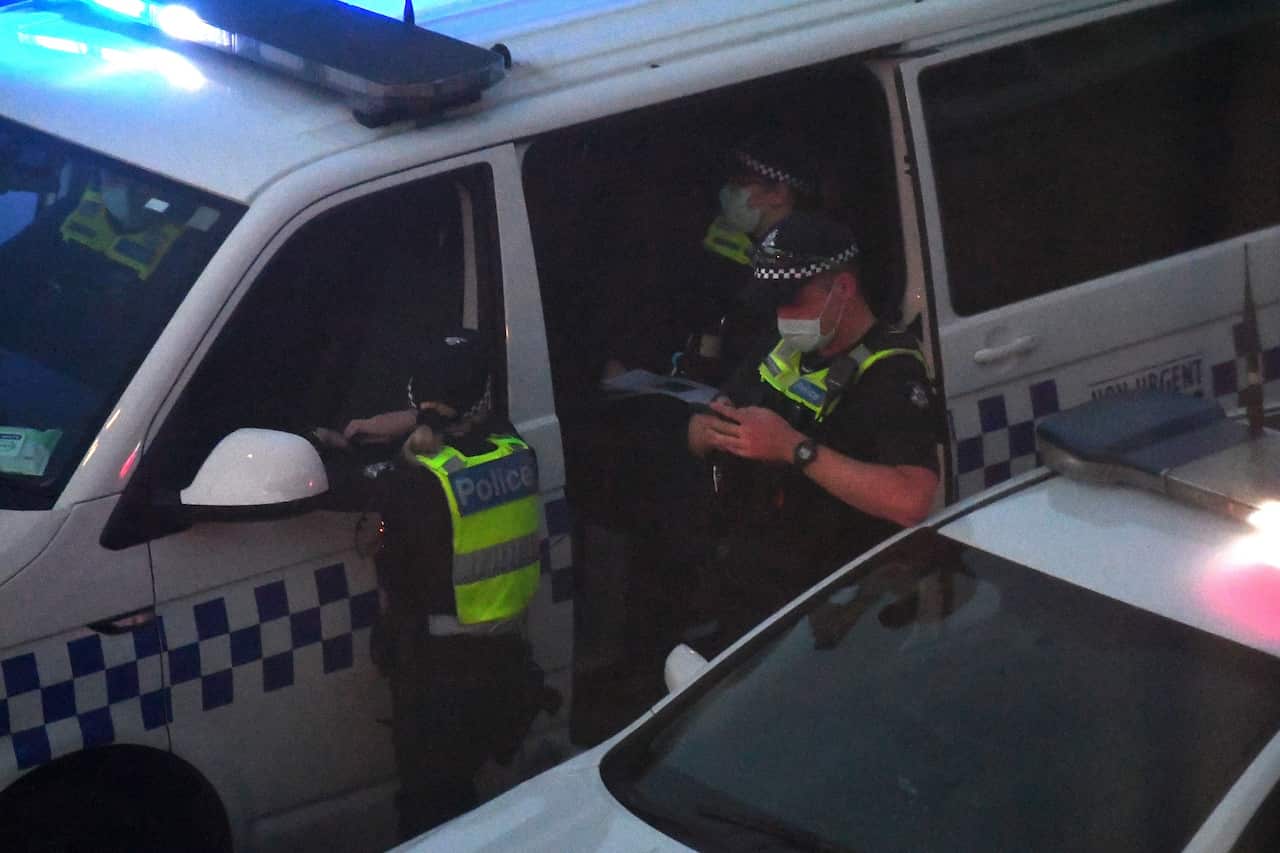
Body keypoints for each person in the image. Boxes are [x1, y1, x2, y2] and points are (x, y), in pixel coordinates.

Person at [315, 329, 545, 838]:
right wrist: (402, 426)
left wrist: (335, 444)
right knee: (473, 806)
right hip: (506, 663)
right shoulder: (517, 451)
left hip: (438, 681)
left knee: (431, 820)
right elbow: (459, 432)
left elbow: (341, 489)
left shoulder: (414, 483)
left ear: (416, 394)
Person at [686, 211, 939, 645]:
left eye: (793, 300)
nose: (783, 315)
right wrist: (706, 431)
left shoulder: (891, 372)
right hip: (756, 584)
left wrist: (795, 449)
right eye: (775, 303)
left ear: (842, 288)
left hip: (839, 603)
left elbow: (912, 499)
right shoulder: (782, 342)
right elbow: (701, 425)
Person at [604, 132, 818, 383]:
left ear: (778, 194)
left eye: (740, 182)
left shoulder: (804, 269)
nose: (728, 191)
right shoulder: (725, 255)